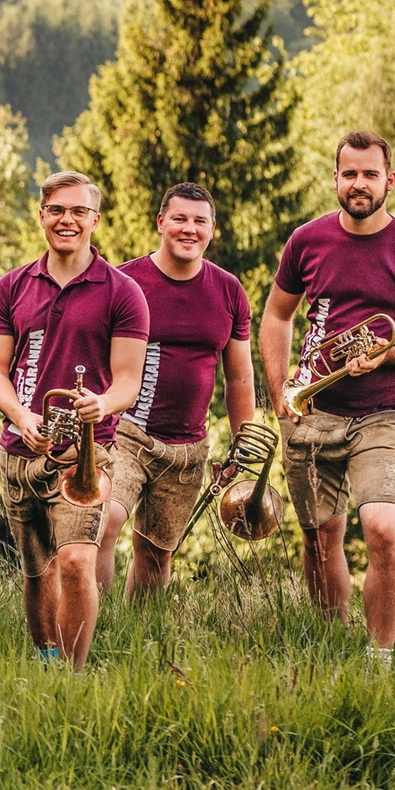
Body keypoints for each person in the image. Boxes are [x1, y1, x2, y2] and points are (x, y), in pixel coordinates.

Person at [259, 132, 395, 664]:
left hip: (383, 415)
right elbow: (277, 315)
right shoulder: (306, 240)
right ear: (335, 179)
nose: (359, 184)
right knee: (321, 538)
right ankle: (333, 641)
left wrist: (388, 355)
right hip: (312, 410)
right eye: (349, 174)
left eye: (370, 175)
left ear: (389, 181)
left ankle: (379, 659)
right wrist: (281, 386)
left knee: (384, 527)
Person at [0, 173, 149, 664]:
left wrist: (105, 403)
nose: (67, 220)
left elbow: (128, 381)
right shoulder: (11, 286)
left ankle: (74, 675)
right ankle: (46, 661)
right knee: (37, 572)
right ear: (42, 215)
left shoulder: (123, 292)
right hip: (21, 450)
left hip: (86, 457)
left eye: (78, 211)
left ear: (95, 220)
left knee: (76, 562)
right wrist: (19, 414)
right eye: (57, 209)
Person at [104, 183, 256, 598]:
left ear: (212, 229)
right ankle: (87, 625)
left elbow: (239, 377)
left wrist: (241, 446)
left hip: (188, 447)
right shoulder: (124, 281)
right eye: (179, 219)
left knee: (155, 552)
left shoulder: (229, 291)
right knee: (105, 521)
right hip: (123, 431)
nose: (189, 229)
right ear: (160, 223)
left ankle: (137, 638)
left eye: (199, 221)